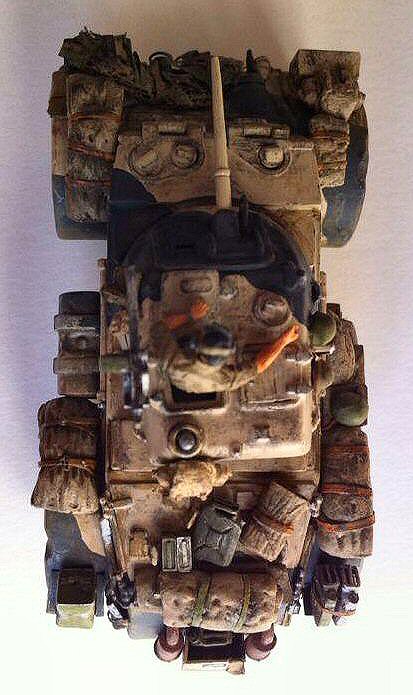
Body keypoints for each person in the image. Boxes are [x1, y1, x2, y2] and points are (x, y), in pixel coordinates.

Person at [151, 299, 300, 393]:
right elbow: (260, 365)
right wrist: (284, 340)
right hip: (190, 384)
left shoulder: (171, 359)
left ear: (196, 345)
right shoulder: (223, 381)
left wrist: (191, 316)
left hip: (178, 375)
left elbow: (159, 327)